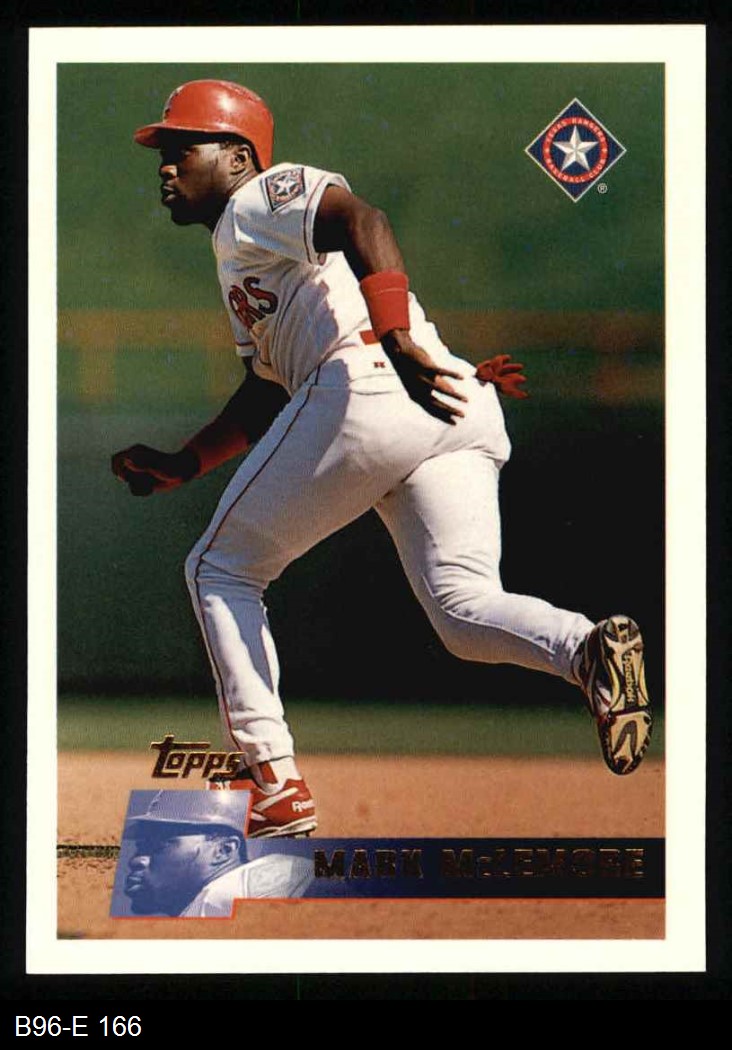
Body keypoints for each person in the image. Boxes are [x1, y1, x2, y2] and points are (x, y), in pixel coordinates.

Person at [112, 80, 653, 837]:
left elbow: (362, 219)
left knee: (220, 568)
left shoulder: (259, 197)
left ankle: (273, 782)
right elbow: (265, 389)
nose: (166, 166)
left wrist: (395, 336)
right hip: (452, 401)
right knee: (463, 610)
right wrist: (187, 462)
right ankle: (585, 648)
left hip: (372, 381)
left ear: (237, 157)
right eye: (164, 153)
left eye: (183, 147)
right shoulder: (240, 249)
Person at [120, 791, 312, 916]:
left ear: (224, 850)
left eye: (159, 846)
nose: (136, 861)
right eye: (141, 847)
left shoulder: (247, 886)